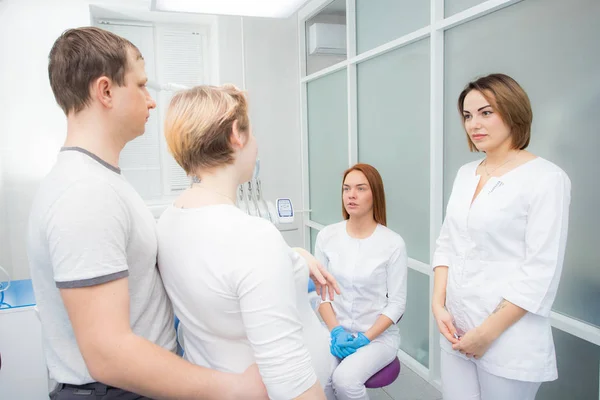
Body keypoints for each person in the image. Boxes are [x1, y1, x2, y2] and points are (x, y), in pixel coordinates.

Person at [27, 27, 267, 400]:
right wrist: (234, 388)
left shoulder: (101, 182)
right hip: (119, 391)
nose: (151, 101)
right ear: (105, 91)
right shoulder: (85, 195)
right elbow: (110, 354)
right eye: (140, 86)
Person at [156, 85, 339, 400]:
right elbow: (291, 384)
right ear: (235, 136)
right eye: (251, 131)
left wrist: (294, 255)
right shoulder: (253, 237)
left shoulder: (170, 221)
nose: (256, 143)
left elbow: (223, 278)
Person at [431, 73, 571, 400]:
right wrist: (438, 305)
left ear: (513, 111)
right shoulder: (466, 174)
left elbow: (540, 270)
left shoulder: (546, 178)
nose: (473, 124)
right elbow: (447, 244)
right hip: (456, 327)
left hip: (507, 337)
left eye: (486, 112)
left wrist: (486, 333)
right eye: (467, 115)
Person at [315, 163, 408, 400]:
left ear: (375, 194)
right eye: (346, 189)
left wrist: (366, 338)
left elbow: (397, 303)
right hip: (336, 331)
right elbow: (321, 294)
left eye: (360, 188)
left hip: (377, 338)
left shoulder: (392, 243)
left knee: (344, 380)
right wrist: (335, 330)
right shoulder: (327, 236)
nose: (351, 195)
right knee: (318, 378)